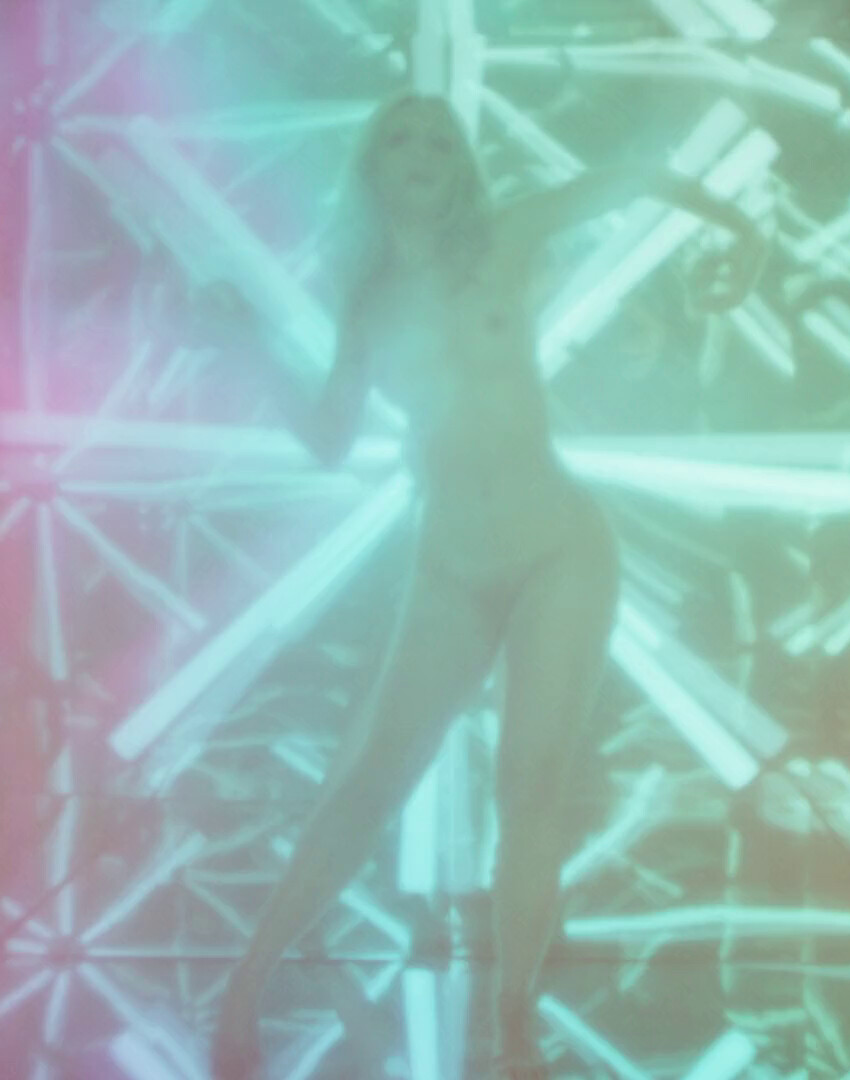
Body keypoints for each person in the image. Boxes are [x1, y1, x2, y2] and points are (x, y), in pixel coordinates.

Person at [206, 92, 767, 1079]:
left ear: (460, 165)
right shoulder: (367, 303)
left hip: (558, 548)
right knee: (368, 783)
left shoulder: (503, 238)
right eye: (400, 137)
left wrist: (742, 232)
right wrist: (247, 345)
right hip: (454, 564)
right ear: (374, 167)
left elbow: (627, 179)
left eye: (439, 137)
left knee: (531, 785)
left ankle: (513, 1025)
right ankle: (245, 985)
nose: (421, 149)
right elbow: (332, 438)